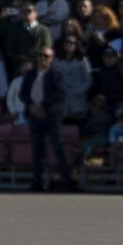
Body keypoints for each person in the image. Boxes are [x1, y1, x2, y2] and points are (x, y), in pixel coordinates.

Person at [19, 46, 77, 191]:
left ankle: (66, 180)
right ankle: (37, 181)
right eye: (40, 55)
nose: (42, 58)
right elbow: (23, 93)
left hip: (50, 116)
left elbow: (59, 95)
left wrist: (42, 106)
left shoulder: (56, 75)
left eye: (46, 56)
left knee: (57, 147)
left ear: (52, 59)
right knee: (37, 150)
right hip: (34, 116)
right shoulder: (30, 74)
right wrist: (31, 105)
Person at [56, 35, 94, 120]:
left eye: (72, 43)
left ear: (76, 45)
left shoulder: (83, 60)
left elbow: (88, 80)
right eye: (67, 42)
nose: (69, 45)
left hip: (78, 99)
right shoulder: (57, 61)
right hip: (62, 99)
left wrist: (77, 91)